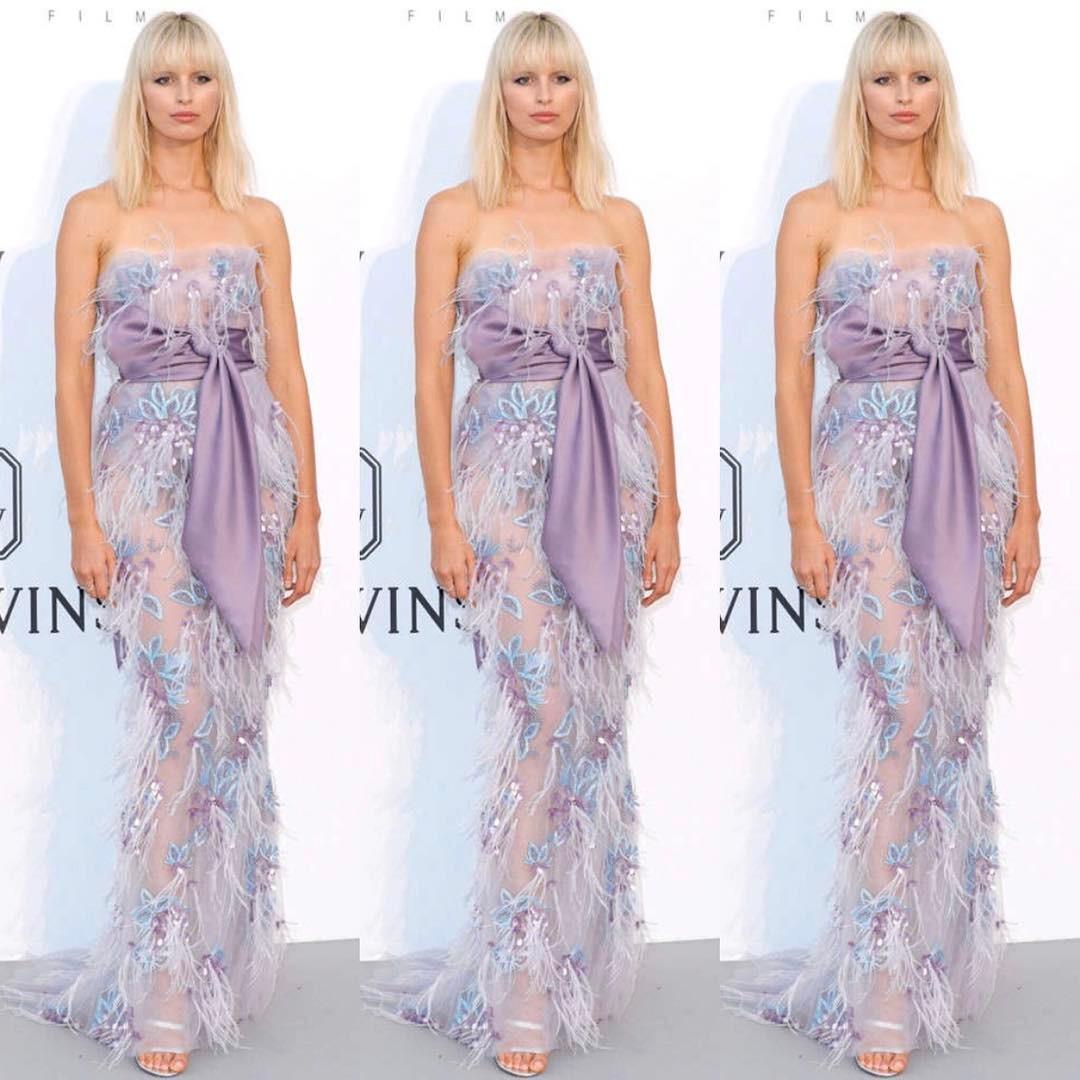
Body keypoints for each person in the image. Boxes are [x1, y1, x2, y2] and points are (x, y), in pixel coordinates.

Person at [0, 12, 320, 1076]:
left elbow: (287, 368)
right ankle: (160, 983)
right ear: (140, 93)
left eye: (201, 78)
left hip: (251, 475)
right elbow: (67, 378)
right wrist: (82, 519)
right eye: (165, 78)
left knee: (232, 716)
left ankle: (215, 955)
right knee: (177, 710)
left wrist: (310, 511)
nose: (184, 96)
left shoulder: (258, 219)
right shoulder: (96, 214)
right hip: (139, 477)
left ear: (221, 93)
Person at [721, 12, 1040, 1078]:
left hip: (972, 474)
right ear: (860, 93)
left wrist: (1029, 512)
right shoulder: (816, 214)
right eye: (885, 78)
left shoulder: (978, 219)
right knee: (897, 708)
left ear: (941, 93)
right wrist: (802, 518)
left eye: (921, 78)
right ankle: (881, 982)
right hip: (860, 475)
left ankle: (937, 957)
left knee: (953, 717)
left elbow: (1008, 368)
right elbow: (787, 377)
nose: (904, 96)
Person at [361, 11, 680, 1077]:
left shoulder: (617, 218)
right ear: (499, 93)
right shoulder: (455, 214)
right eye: (525, 78)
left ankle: (575, 955)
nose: (544, 96)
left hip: (611, 475)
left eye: (561, 78)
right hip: (498, 476)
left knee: (592, 717)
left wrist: (670, 510)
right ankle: (521, 981)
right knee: (537, 710)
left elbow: (647, 368)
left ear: (581, 93)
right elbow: (427, 377)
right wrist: (441, 519)